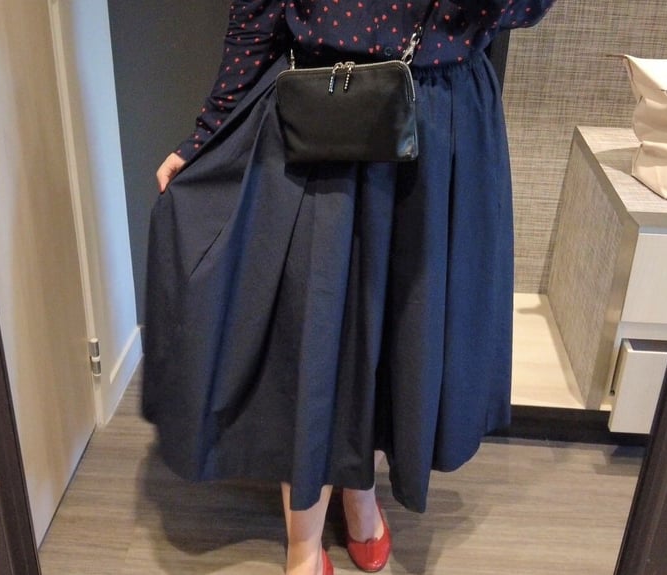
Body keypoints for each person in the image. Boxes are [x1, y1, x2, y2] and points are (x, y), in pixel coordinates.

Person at [143, 2, 556, 574]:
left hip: (438, 121)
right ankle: (304, 537)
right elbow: (257, 13)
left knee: (399, 332)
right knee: (313, 332)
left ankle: (359, 487)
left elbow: (522, 8)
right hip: (324, 108)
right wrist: (207, 132)